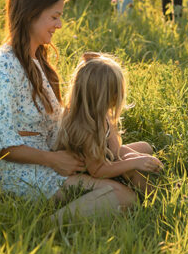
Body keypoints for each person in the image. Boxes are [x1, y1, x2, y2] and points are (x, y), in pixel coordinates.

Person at [0, 0, 137, 220]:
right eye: (54, 17)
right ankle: (50, 227)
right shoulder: (2, 67)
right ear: (30, 15)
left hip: (51, 157)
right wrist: (53, 160)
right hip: (16, 170)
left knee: (137, 155)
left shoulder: (36, 59)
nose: (59, 25)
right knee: (123, 196)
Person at [56, 52, 164, 193]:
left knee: (145, 148)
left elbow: (115, 150)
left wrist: (138, 158)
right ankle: (155, 201)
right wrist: (135, 162)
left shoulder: (102, 113)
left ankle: (156, 182)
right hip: (90, 173)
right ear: (107, 96)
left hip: (103, 159)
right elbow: (98, 171)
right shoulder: (85, 128)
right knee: (135, 169)